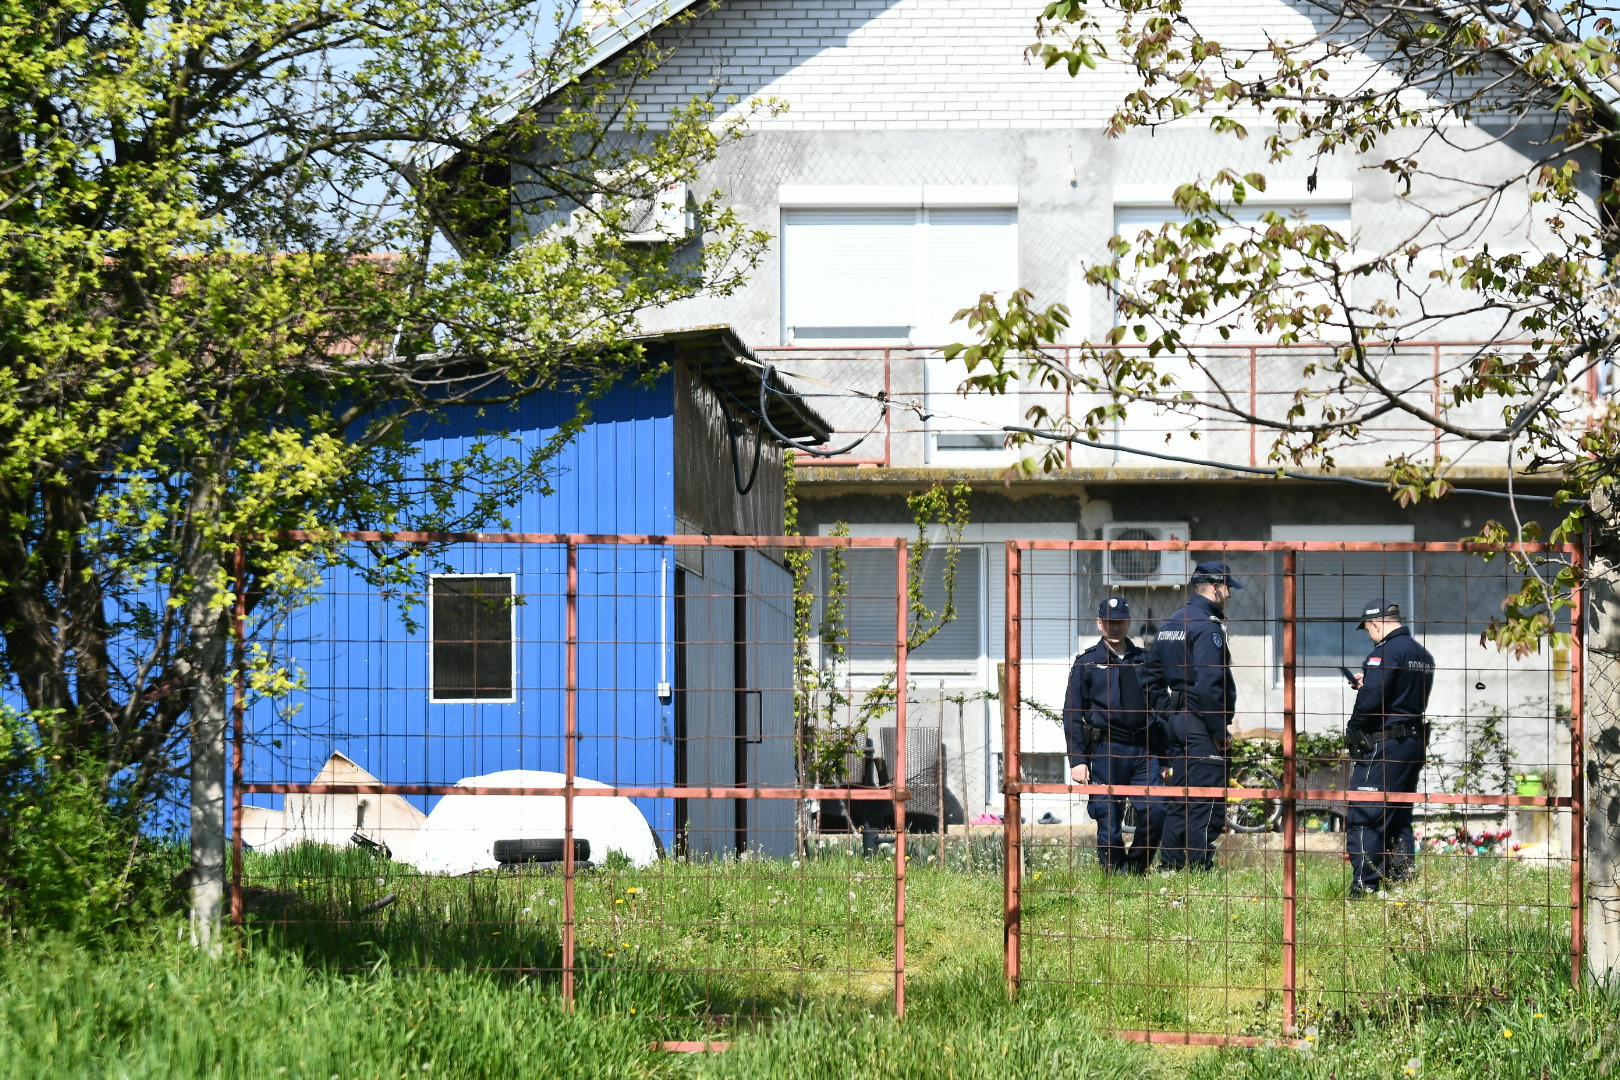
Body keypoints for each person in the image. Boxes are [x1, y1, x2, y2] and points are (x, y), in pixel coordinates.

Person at [1143, 561, 1241, 871]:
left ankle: (1169, 866)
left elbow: (1148, 678)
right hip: (1201, 722)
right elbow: (1211, 683)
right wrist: (1217, 730)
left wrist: (1169, 710)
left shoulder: (1172, 623)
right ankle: (1201, 867)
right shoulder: (1207, 626)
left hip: (1178, 722)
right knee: (1206, 797)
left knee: (1180, 798)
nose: (1230, 595)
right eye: (1228, 589)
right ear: (1215, 588)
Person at [1345, 597, 1434, 896]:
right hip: (1411, 743)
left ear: (1376, 623)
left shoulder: (1384, 653)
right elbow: (1399, 696)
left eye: (1368, 629)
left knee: (1365, 814)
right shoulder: (1422, 654)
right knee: (1398, 814)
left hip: (1384, 744)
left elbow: (1371, 701)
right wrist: (1369, 682)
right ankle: (1399, 884)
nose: (1369, 635)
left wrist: (1353, 728)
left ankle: (1364, 886)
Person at [1064, 597, 1161, 873]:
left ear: (1129, 622)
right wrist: (1078, 759)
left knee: (1156, 810)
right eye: (1109, 622)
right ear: (1099, 624)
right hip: (1107, 749)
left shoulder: (1145, 660)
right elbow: (1072, 712)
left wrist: (1165, 757)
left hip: (1144, 750)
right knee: (1109, 816)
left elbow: (1160, 708)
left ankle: (1136, 867)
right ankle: (1114, 872)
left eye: (1120, 621)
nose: (1115, 627)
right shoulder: (1087, 663)